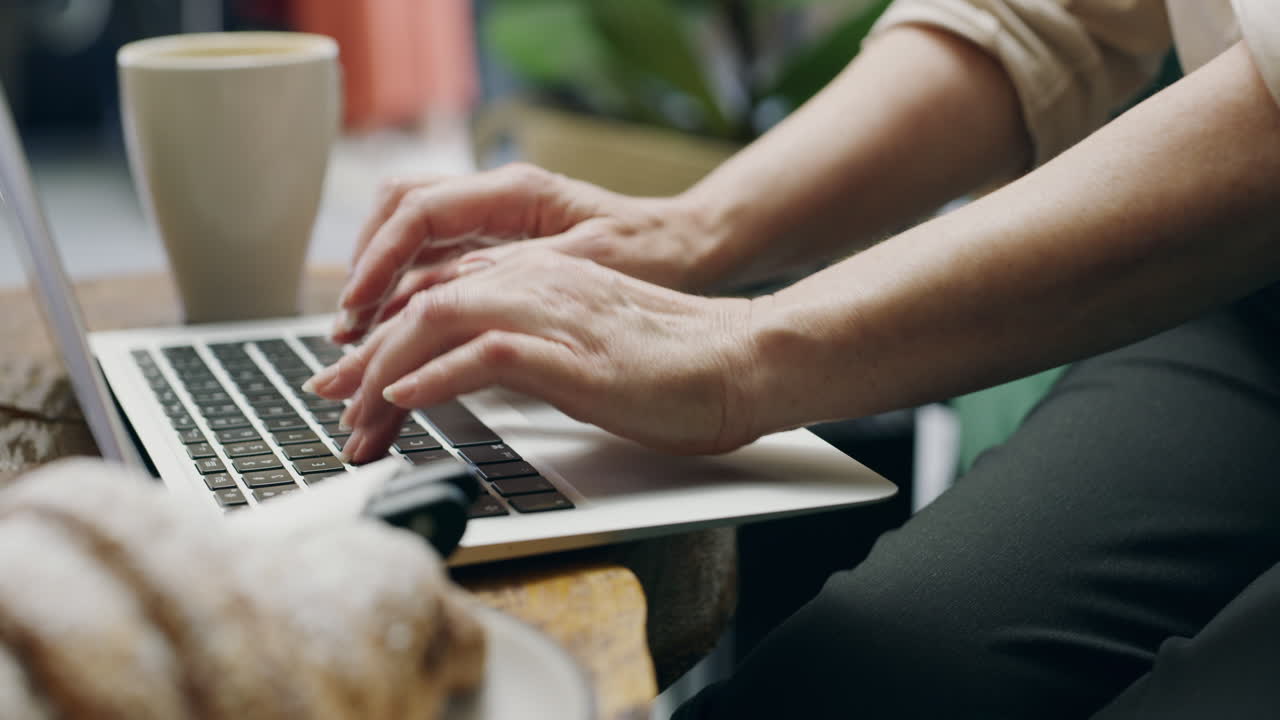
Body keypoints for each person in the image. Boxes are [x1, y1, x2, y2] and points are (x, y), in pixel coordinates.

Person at [303, 0, 1280, 716]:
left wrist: (746, 352)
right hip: (1247, 319)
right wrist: (687, 231)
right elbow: (1048, 16)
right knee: (828, 692)